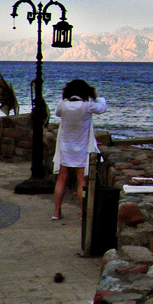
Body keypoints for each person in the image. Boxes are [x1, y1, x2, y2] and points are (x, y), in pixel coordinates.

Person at [52, 79, 107, 220]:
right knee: (81, 180)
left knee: (62, 179)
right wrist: (97, 97)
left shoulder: (62, 105)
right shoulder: (87, 106)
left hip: (65, 146)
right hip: (82, 147)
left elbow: (58, 113)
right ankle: (83, 213)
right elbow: (102, 107)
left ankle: (57, 212)